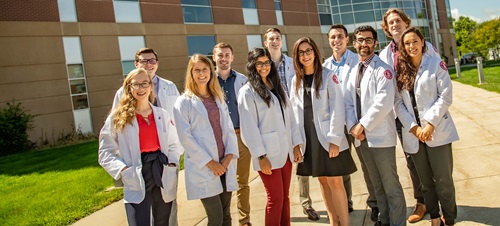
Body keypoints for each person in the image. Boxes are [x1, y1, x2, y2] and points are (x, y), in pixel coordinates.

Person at [98, 68, 182, 226]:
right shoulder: (119, 117)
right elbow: (105, 152)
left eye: (145, 83)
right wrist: (123, 170)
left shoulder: (161, 114)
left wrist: (171, 163)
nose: (141, 88)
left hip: (161, 169)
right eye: (136, 84)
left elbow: (174, 144)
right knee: (138, 222)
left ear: (151, 86)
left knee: (162, 221)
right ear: (129, 88)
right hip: (136, 171)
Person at [379, 9, 441, 223]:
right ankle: (422, 201)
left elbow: (438, 76)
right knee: (413, 161)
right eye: (390, 22)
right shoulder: (385, 54)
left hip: (427, 112)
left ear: (406, 22)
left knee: (436, 159)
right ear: (386, 28)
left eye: (398, 20)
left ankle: (441, 202)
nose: (394, 24)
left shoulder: (426, 47)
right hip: (402, 114)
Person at [394, 27, 459, 226]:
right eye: (407, 43)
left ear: (423, 42)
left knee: (443, 181)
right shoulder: (401, 70)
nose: (411, 46)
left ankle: (449, 218)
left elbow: (445, 96)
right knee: (425, 183)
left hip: (436, 131)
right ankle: (434, 216)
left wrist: (429, 124)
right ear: (403, 47)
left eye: (415, 41)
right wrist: (414, 128)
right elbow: (397, 103)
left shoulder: (435, 64)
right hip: (414, 134)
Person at [290, 37, 357, 226]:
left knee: (336, 182)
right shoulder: (295, 80)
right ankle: (333, 222)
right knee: (323, 182)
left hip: (328, 137)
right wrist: (296, 143)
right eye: (301, 52)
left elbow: (338, 107)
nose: (305, 55)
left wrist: (335, 139)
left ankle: (345, 223)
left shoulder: (328, 75)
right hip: (309, 139)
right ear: (296, 56)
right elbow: (293, 115)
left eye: (308, 50)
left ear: (315, 52)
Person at [345, 25, 406, 226]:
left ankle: (397, 222)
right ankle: (384, 220)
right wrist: (354, 127)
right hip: (361, 138)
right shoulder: (353, 70)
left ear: (375, 43)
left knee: (390, 185)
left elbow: (384, 102)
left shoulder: (384, 70)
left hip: (380, 136)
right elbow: (347, 102)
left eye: (368, 40)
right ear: (354, 43)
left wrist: (362, 125)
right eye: (360, 40)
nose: (364, 44)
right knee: (376, 185)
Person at [238, 47, 303, 226]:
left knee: (285, 198)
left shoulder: (277, 85)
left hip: (286, 152)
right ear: (252, 66)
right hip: (267, 155)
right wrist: (260, 156)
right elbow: (249, 128)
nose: (264, 66)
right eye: (259, 63)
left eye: (267, 63)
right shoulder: (247, 92)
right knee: (274, 199)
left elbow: (290, 117)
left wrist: (296, 144)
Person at [173, 54, 239, 226]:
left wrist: (229, 157)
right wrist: (212, 164)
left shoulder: (218, 98)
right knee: (216, 218)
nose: (201, 73)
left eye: (205, 69)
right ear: (191, 73)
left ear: (210, 71)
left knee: (226, 217)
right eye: (197, 70)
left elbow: (229, 130)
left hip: (225, 164)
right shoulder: (183, 103)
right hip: (205, 168)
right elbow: (186, 139)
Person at [323, 24, 380, 219]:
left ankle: (375, 203)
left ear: (347, 40)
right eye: (332, 37)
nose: (336, 40)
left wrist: (360, 124)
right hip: (336, 124)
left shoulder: (358, 60)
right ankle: (345, 203)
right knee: (339, 168)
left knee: (367, 165)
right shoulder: (325, 66)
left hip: (356, 122)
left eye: (340, 36)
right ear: (328, 40)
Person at [263, 27, 319, 221]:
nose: (275, 42)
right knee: (278, 168)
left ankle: (306, 203)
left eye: (278, 38)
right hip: (275, 122)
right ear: (265, 42)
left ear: (281, 41)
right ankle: (279, 205)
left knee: (300, 159)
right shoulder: (263, 65)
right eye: (271, 39)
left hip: (297, 115)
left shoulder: (292, 63)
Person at [212, 42, 251, 226]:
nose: (224, 59)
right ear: (214, 57)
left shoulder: (243, 80)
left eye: (227, 55)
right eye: (220, 55)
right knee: (222, 183)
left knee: (242, 181)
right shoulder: (207, 81)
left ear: (232, 58)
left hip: (240, 136)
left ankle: (244, 220)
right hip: (218, 139)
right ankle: (224, 220)